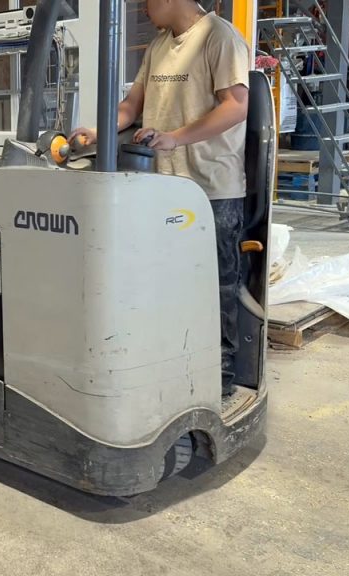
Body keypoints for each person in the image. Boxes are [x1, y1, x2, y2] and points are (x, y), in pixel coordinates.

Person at [71, 0, 249, 396]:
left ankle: (217, 379)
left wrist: (176, 137)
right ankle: (172, 366)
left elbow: (236, 107)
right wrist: (99, 131)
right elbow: (131, 106)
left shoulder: (220, 37)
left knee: (215, 287)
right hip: (164, 188)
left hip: (210, 189)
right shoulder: (158, 46)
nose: (143, 6)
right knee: (164, 284)